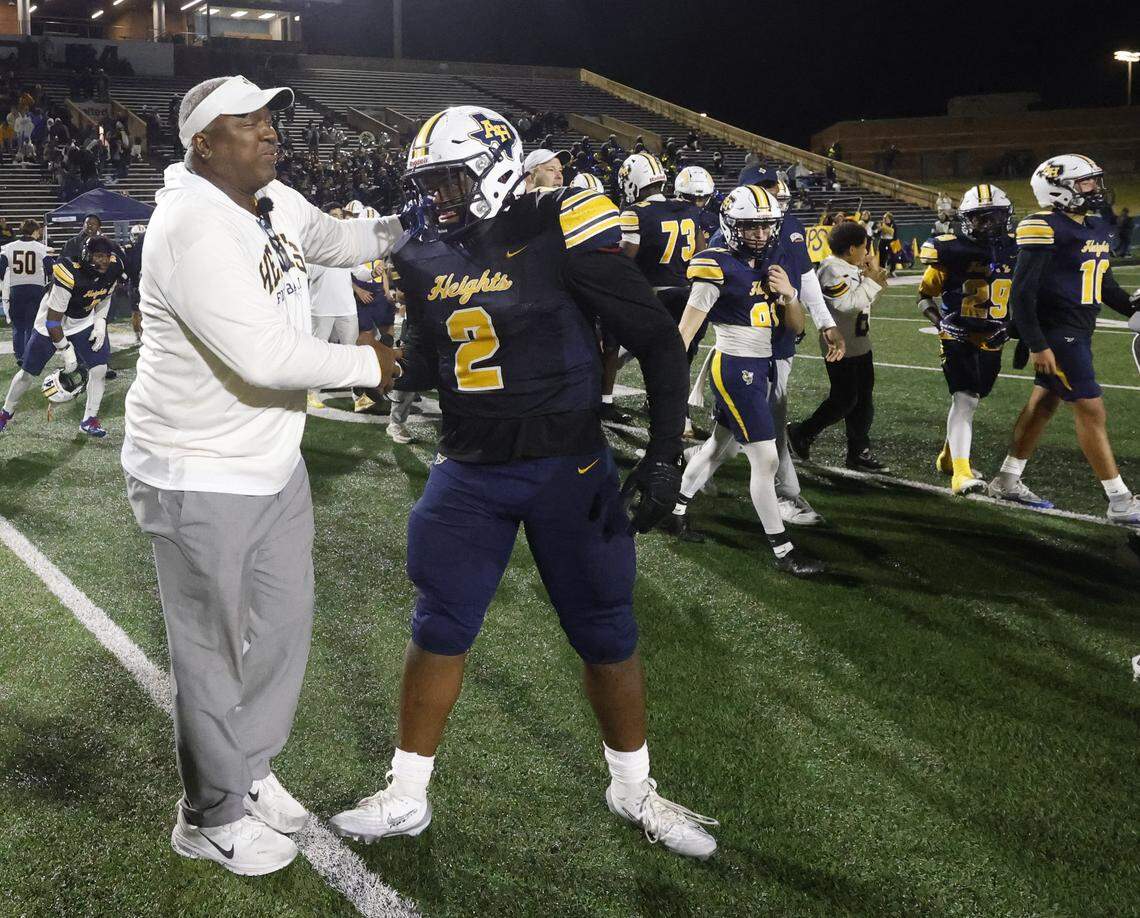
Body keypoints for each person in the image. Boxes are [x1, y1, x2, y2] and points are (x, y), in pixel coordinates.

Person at [330, 105, 718, 859]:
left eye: (450, 176)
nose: (438, 194)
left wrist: (666, 453)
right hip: (470, 470)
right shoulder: (422, 251)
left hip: (567, 467)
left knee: (606, 629)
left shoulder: (559, 225)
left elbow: (657, 345)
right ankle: (407, 795)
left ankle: (632, 787)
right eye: (428, 180)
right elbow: (427, 351)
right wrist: (345, 367)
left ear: (497, 163)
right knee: (439, 624)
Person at [120, 75, 401, 877]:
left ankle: (247, 767)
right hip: (198, 469)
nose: (269, 133)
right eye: (246, 124)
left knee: (280, 628)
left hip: (271, 459)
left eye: (270, 120)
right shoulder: (191, 226)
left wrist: (412, 226)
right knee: (212, 653)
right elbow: (264, 357)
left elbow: (341, 243)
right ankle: (207, 817)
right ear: (203, 143)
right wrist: (368, 364)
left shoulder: (269, 198)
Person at [665, 186, 823, 574]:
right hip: (736, 366)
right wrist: (668, 380)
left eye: (765, 226)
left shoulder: (773, 262)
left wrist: (788, 295)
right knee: (766, 460)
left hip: (762, 366)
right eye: (750, 227)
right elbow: (685, 331)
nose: (759, 234)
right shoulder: (714, 264)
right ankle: (784, 551)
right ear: (731, 225)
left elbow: (797, 328)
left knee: (718, 447)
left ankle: (676, 510)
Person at [987, 155, 1140, 523]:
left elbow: (1103, 284)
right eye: (1086, 182)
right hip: (1058, 334)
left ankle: (1007, 479)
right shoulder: (1042, 225)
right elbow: (1022, 294)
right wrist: (1038, 343)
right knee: (1091, 408)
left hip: (1079, 329)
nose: (1095, 189)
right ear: (1058, 188)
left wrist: (1134, 306)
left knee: (1044, 404)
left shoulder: (1095, 227)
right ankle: (1118, 500)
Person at [732, 167, 845, 526]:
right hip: (744, 342)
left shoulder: (789, 227)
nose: (773, 193)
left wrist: (826, 322)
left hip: (779, 340)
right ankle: (785, 494)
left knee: (737, 428)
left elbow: (807, 278)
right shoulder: (732, 233)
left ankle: (689, 470)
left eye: (774, 186)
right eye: (763, 187)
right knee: (769, 421)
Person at [917, 185, 1017, 495]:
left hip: (993, 337)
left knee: (974, 397)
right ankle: (960, 473)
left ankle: (949, 458)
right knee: (965, 398)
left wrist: (1013, 327)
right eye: (980, 219)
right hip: (957, 334)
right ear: (966, 221)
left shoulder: (1018, 250)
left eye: (995, 217)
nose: (988, 225)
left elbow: (1026, 297)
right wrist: (941, 321)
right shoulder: (950, 250)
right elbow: (924, 297)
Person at [788, 220, 890, 472]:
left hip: (860, 341)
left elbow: (866, 302)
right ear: (851, 249)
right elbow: (848, 304)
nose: (867, 252)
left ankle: (858, 452)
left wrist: (874, 278)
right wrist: (872, 282)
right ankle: (801, 432)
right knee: (844, 399)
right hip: (840, 345)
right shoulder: (831, 270)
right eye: (864, 247)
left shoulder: (848, 266)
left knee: (864, 401)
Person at [0, 234, 119, 437]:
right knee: (28, 373)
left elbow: (105, 296)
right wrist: (66, 351)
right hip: (51, 325)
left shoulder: (114, 269)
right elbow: (53, 321)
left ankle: (89, 418)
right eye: (98, 255)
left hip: (83, 321)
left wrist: (100, 321)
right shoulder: (70, 274)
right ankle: (5, 413)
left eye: (107, 256)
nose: (104, 261)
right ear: (86, 255)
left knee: (99, 368)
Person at [617, 152, 704, 427]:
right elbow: (702, 253)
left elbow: (626, 254)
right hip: (690, 297)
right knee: (680, 357)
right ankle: (679, 414)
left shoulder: (635, 212)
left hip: (653, 297)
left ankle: (597, 395)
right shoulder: (689, 209)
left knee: (619, 349)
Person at [306, 204, 362, 409]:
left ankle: (358, 396)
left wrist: (372, 273)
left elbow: (358, 271)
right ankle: (311, 392)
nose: (338, 219)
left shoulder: (347, 244)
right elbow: (309, 273)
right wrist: (326, 252)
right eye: (334, 216)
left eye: (340, 216)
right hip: (321, 308)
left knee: (352, 353)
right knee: (318, 354)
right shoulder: (314, 244)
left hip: (347, 307)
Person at [0, 219, 50, 369]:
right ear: (34, 231)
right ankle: (28, 353)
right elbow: (50, 270)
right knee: (31, 324)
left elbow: (1, 270)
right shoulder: (41, 248)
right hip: (36, 289)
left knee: (18, 325)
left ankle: (20, 355)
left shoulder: (8, 247)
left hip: (17, 289)